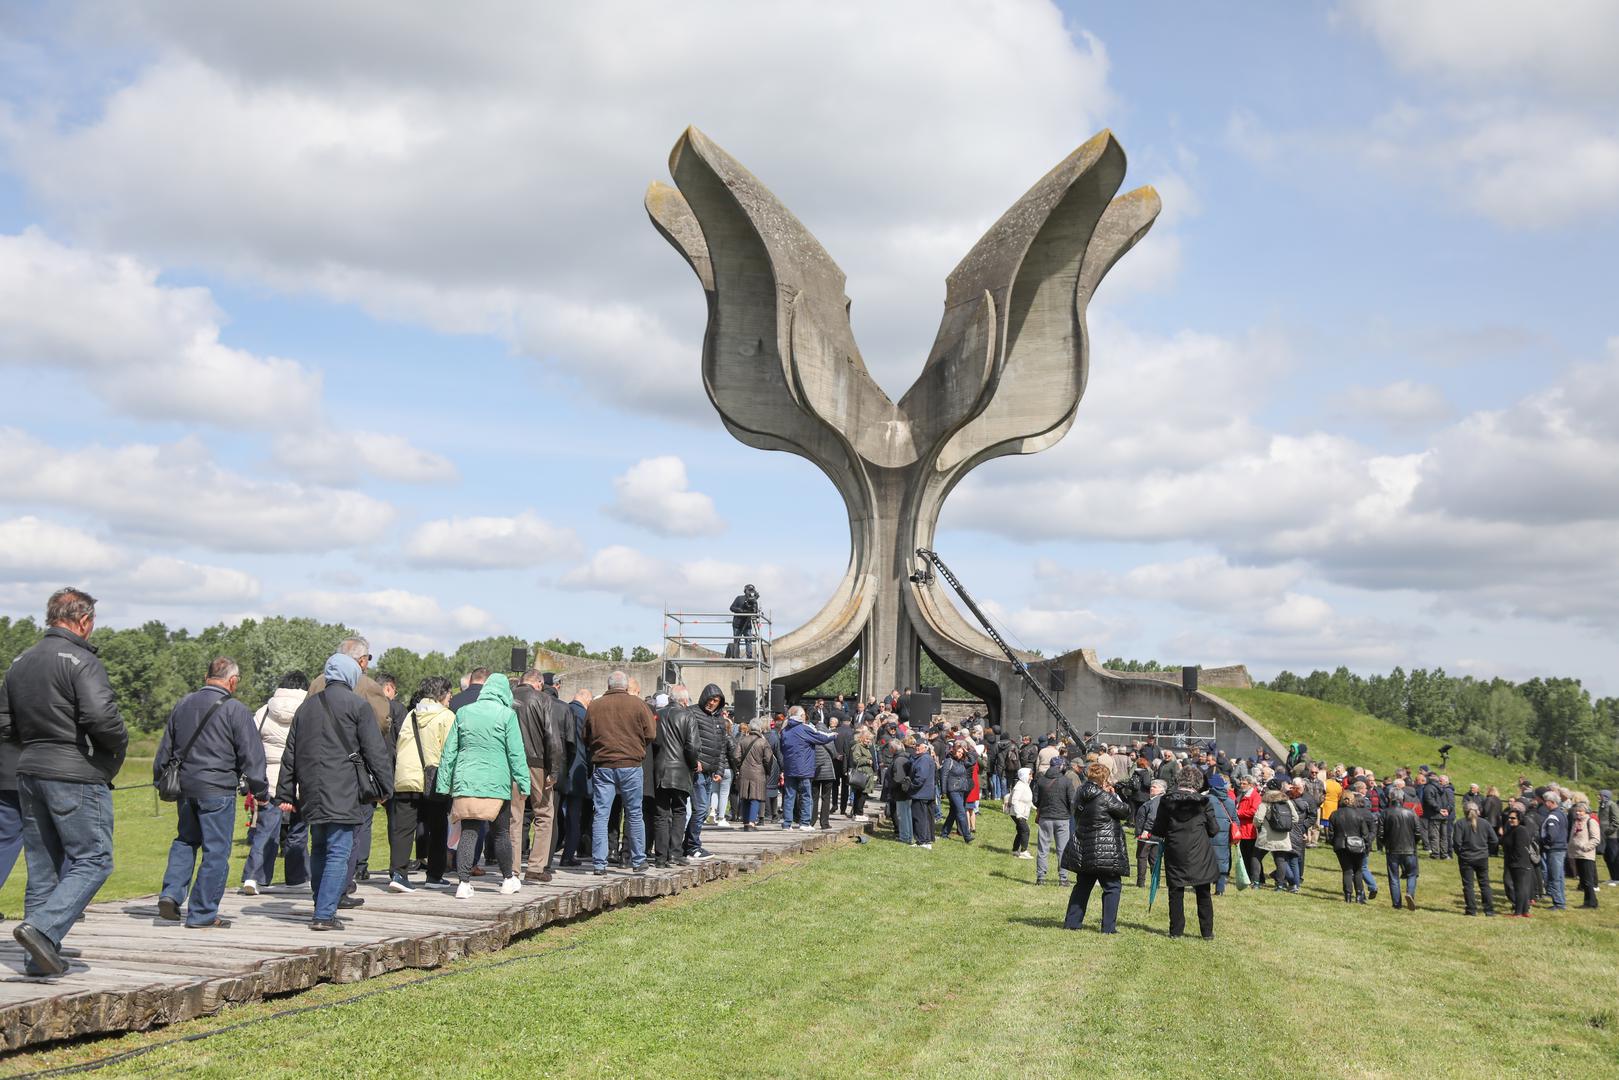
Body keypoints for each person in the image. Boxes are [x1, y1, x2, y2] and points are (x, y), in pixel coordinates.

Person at [0, 588, 128, 976]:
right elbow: (102, 718)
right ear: (84, 620)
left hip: (29, 770)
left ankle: (37, 958)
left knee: (44, 870)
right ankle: (41, 929)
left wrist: (38, 745)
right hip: (75, 772)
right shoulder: (82, 661)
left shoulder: (19, 662)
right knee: (94, 859)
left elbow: (5, 724)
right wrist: (115, 749)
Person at [276, 652, 393, 931]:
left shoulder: (306, 708)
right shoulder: (358, 705)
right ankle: (324, 914)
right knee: (339, 851)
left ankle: (321, 903)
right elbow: (375, 751)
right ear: (351, 676)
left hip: (311, 788)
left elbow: (289, 753)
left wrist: (284, 792)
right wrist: (385, 786)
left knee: (318, 848)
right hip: (343, 786)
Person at [155, 657, 269, 929]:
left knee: (185, 840)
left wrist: (160, 779)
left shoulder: (183, 704)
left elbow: (165, 748)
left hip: (185, 787)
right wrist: (260, 789)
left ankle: (171, 893)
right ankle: (203, 913)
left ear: (207, 676)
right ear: (232, 681)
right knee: (216, 851)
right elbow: (251, 754)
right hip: (217, 788)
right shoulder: (236, 710)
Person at [306, 637, 391, 887]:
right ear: (362, 660)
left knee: (319, 838)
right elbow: (381, 724)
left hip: (316, 768)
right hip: (353, 770)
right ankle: (342, 885)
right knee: (351, 832)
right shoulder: (368, 686)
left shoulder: (316, 683)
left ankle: (323, 890)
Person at [434, 673, 528, 897]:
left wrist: (443, 784)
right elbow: (516, 753)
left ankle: (463, 884)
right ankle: (508, 879)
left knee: (469, 831)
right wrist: (524, 783)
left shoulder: (464, 712)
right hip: (496, 783)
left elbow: (449, 752)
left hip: (466, 782)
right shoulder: (507, 715)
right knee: (501, 833)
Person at [241, 671, 307, 895]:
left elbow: (251, 745)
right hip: (299, 779)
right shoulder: (309, 710)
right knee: (298, 829)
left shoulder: (264, 711)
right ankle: (297, 877)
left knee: (266, 831)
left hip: (269, 780)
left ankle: (254, 876)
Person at [584, 671, 655, 875]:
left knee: (601, 815)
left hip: (604, 765)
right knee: (634, 814)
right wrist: (636, 747)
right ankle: (638, 860)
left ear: (608, 686)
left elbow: (585, 736)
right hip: (631, 764)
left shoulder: (595, 706)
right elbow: (651, 733)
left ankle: (599, 863)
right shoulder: (638, 704)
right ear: (625, 686)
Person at [389, 676, 455, 891]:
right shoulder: (447, 717)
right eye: (449, 692)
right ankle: (434, 875)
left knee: (403, 829)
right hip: (432, 780)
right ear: (442, 694)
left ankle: (398, 874)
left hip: (406, 778)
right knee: (437, 828)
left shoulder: (411, 714)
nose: (451, 697)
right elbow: (450, 749)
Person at [512, 669, 569, 884]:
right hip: (537, 764)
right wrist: (554, 771)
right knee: (544, 813)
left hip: (512, 764)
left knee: (514, 817)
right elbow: (552, 738)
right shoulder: (543, 699)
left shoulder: (508, 698)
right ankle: (536, 866)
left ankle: (512, 869)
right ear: (538, 683)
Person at [1150, 766, 1219, 939]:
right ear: (1198, 783)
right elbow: (1213, 829)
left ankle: (1176, 931)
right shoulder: (1204, 802)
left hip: (1176, 849)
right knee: (1203, 892)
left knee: (1176, 892)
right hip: (1200, 852)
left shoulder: (1166, 801)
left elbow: (1158, 829)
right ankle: (1207, 933)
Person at [1065, 763, 1130, 932]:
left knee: (1082, 886)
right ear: (1104, 779)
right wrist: (1115, 795)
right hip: (1105, 847)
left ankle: (1072, 923)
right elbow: (1125, 811)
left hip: (1085, 844)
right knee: (1112, 887)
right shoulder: (1103, 796)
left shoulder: (1079, 792)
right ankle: (1108, 927)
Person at [651, 685, 700, 869]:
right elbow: (693, 746)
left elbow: (653, 741)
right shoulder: (688, 716)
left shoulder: (658, 714)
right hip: (680, 770)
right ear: (685, 700)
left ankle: (660, 857)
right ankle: (675, 853)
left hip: (660, 769)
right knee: (679, 811)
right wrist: (694, 764)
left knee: (661, 814)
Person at [687, 684, 728, 856]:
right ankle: (692, 846)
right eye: (710, 699)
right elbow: (688, 740)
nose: (712, 703)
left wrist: (719, 769)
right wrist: (694, 762)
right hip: (697, 771)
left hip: (710, 772)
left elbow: (722, 746)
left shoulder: (719, 719)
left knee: (702, 811)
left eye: (716, 701)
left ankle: (690, 844)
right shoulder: (692, 713)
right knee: (701, 809)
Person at [779, 705, 834, 831]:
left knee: (789, 796)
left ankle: (787, 823)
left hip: (789, 768)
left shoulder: (784, 730)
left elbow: (782, 749)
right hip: (804, 769)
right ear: (801, 716)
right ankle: (804, 823)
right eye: (804, 715)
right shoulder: (804, 728)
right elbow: (822, 738)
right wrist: (834, 735)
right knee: (806, 796)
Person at [559, 688, 592, 867]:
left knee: (556, 814)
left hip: (561, 769)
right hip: (577, 770)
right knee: (574, 816)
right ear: (586, 699)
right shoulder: (584, 715)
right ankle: (568, 854)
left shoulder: (562, 709)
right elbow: (587, 746)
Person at [1033, 756, 1078, 886]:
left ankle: (1040, 878)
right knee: (1062, 850)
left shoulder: (1041, 780)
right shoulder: (1066, 781)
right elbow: (1072, 801)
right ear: (1061, 767)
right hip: (1063, 819)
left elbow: (1036, 800)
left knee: (1043, 849)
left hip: (1045, 818)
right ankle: (1063, 879)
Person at [1328, 791, 1375, 904]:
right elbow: (1365, 834)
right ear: (1353, 800)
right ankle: (1359, 895)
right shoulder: (1358, 815)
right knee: (1358, 870)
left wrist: (1335, 843)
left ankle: (1348, 896)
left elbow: (1330, 834)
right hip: (1357, 846)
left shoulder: (1334, 814)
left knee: (1347, 871)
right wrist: (1367, 846)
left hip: (1341, 846)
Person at [1453, 801, 1498, 916]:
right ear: (1478, 811)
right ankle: (1489, 910)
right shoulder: (1485, 823)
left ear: (1464, 811)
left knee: (1468, 885)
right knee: (1484, 884)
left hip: (1466, 858)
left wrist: (1461, 853)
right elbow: (1495, 840)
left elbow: (1457, 843)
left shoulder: (1460, 823)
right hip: (1482, 857)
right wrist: (1486, 851)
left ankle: (1471, 910)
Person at [733, 719, 775, 830]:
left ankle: (746, 822)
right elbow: (768, 759)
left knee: (745, 797)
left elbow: (736, 756)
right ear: (760, 728)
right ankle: (752, 822)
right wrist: (767, 770)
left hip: (744, 771)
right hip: (758, 772)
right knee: (755, 797)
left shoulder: (743, 740)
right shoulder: (763, 742)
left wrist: (739, 767)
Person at [1380, 797, 1421, 911]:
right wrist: (1414, 844)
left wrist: (1385, 844)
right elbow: (1418, 833)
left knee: (1394, 877)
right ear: (1402, 801)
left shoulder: (1385, 813)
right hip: (1409, 849)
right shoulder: (1411, 813)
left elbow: (1380, 833)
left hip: (1392, 850)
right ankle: (1410, 893)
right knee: (1412, 874)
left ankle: (1397, 903)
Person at [939, 740, 978, 844]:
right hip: (953, 790)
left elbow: (973, 761)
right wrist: (943, 791)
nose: (960, 754)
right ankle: (967, 836)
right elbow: (944, 776)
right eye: (959, 751)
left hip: (962, 789)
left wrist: (967, 752)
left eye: (962, 752)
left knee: (953, 812)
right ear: (954, 751)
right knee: (961, 811)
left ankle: (944, 832)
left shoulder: (962, 761)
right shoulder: (949, 761)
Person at [1205, 773, 1237, 895]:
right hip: (1224, 837)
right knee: (1222, 862)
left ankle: (1205, 887)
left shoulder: (1206, 800)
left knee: (1206, 861)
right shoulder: (1230, 801)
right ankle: (1220, 889)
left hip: (1208, 834)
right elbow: (1235, 820)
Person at [1501, 807, 1537, 917]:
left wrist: (1513, 862)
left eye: (1513, 818)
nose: (1511, 819)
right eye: (1509, 818)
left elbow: (1520, 849)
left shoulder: (1520, 830)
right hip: (1514, 863)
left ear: (1519, 819)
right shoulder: (1511, 830)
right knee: (1521, 888)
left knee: (1520, 888)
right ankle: (1524, 911)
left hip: (1519, 863)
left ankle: (1519, 912)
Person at [1538, 792, 1570, 911]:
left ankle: (1559, 903)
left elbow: (1552, 834)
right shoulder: (1561, 814)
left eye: (1546, 801)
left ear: (1552, 802)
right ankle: (1561, 900)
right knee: (1560, 876)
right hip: (1561, 847)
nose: (1545, 803)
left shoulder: (1552, 816)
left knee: (1554, 876)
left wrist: (1545, 842)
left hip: (1555, 848)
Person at [1568, 802, 1601, 909]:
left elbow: (1596, 839)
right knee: (1583, 880)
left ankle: (1592, 903)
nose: (1578, 813)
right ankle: (1587, 901)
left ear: (1586, 812)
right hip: (1577, 854)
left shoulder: (1591, 821)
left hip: (1586, 855)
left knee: (1588, 881)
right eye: (1576, 810)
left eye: (1580, 811)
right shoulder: (1576, 822)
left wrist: (1585, 847)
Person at [907, 735, 938, 850]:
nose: (916, 747)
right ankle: (927, 839)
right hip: (926, 793)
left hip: (920, 793)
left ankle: (922, 841)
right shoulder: (924, 758)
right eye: (915, 745)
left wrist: (911, 786)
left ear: (925, 747)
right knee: (925, 817)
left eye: (918, 746)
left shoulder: (924, 759)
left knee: (919, 817)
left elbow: (921, 777)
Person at [1234, 775, 1264, 889]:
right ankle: (1249, 877)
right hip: (1243, 830)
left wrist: (1239, 813)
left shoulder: (1254, 796)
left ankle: (1257, 878)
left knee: (1252, 857)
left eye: (1244, 784)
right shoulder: (1242, 795)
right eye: (1241, 783)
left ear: (1250, 785)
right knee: (1245, 855)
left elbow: (1254, 811)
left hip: (1250, 830)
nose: (1241, 785)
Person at [845, 727, 873, 822]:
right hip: (862, 773)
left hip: (866, 773)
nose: (868, 741)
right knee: (861, 794)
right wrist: (867, 761)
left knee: (860, 794)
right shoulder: (858, 746)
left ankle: (856, 813)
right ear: (861, 738)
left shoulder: (866, 747)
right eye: (866, 739)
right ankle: (859, 813)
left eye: (869, 739)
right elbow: (856, 759)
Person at [1006, 767, 1034, 858]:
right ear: (1025, 775)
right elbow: (1014, 800)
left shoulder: (1025, 784)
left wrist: (1034, 807)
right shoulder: (1020, 786)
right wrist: (1018, 814)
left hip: (1021, 813)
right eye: (1030, 775)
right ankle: (1023, 851)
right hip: (1017, 813)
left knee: (1020, 831)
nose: (1032, 778)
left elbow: (1027, 799)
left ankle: (1015, 850)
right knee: (1025, 830)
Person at [729, 584, 760, 659]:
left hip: (748, 624)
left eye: (752, 590)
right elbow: (731, 608)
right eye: (748, 590)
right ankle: (736, 657)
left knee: (748, 640)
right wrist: (740, 610)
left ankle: (749, 656)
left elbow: (755, 612)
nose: (750, 592)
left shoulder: (754, 601)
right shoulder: (739, 598)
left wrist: (754, 611)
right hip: (738, 624)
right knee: (737, 640)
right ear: (745, 591)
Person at [1599, 789, 1619, 886]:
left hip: (1611, 836)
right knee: (1606, 857)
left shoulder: (1612, 805)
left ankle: (1617, 878)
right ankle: (1612, 877)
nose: (1599, 797)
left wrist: (1609, 831)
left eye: (1600, 795)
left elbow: (1615, 821)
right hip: (1603, 836)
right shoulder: (1602, 805)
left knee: (1613, 857)